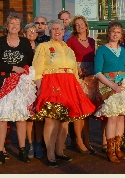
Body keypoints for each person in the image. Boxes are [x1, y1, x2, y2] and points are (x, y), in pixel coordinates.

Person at [31, 19, 96, 168]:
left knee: (65, 119)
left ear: (63, 31)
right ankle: (50, 154)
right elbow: (37, 69)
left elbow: (73, 70)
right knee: (51, 119)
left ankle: (60, 151)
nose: (57, 31)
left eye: (59, 29)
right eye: (54, 29)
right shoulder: (44, 47)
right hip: (51, 83)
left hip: (68, 84)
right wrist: (39, 87)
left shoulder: (68, 49)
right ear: (50, 31)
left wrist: (76, 87)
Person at [0, 13, 37, 167]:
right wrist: (13, 67)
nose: (14, 26)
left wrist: (23, 71)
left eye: (17, 24)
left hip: (20, 84)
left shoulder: (25, 42)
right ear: (6, 26)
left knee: (20, 118)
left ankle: (22, 150)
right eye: (11, 23)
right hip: (3, 82)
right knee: (1, 119)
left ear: (20, 27)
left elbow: (31, 61)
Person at [94, 21, 125, 163]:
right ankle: (110, 150)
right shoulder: (102, 50)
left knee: (121, 117)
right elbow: (98, 72)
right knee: (112, 117)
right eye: (113, 31)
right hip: (108, 84)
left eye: (118, 32)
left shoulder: (124, 50)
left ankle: (118, 148)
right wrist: (113, 85)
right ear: (108, 33)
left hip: (123, 84)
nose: (116, 34)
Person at [66, 15, 98, 154]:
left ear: (86, 26)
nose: (79, 27)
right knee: (80, 110)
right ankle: (78, 141)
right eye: (76, 25)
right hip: (77, 76)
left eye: (81, 24)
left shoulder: (92, 41)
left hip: (90, 78)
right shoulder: (71, 40)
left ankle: (87, 140)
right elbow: (67, 58)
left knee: (87, 111)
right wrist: (75, 68)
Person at [23, 23, 44, 159]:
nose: (32, 33)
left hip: (40, 81)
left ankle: (38, 143)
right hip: (26, 83)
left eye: (34, 31)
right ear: (24, 33)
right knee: (29, 116)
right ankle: (29, 143)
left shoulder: (41, 47)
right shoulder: (20, 46)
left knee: (39, 115)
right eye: (29, 31)